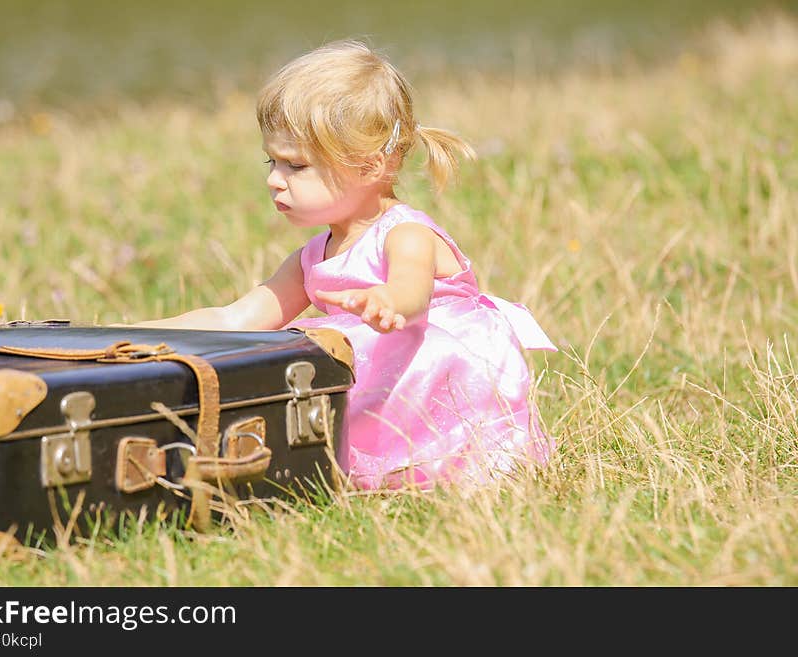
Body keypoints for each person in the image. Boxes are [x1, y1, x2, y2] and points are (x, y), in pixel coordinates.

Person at [133, 40, 558, 490]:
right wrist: (137, 335)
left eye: (296, 165)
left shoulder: (405, 234)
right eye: (271, 160)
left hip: (445, 393)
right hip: (385, 388)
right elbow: (236, 318)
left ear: (370, 165)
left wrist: (386, 300)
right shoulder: (311, 258)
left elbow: (411, 297)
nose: (273, 180)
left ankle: (446, 466)